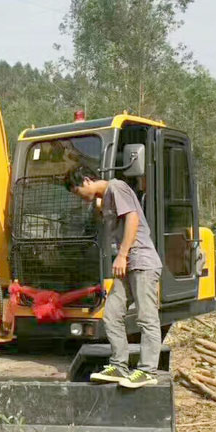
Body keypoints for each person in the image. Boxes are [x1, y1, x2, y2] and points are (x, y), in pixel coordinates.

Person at [64, 166, 163, 389]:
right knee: (111, 314)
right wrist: (99, 206)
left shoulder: (117, 186)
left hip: (141, 262)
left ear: (88, 180)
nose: (80, 198)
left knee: (146, 317)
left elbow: (132, 218)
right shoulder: (105, 199)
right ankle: (119, 365)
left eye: (78, 192)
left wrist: (122, 254)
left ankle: (147, 370)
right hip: (126, 267)